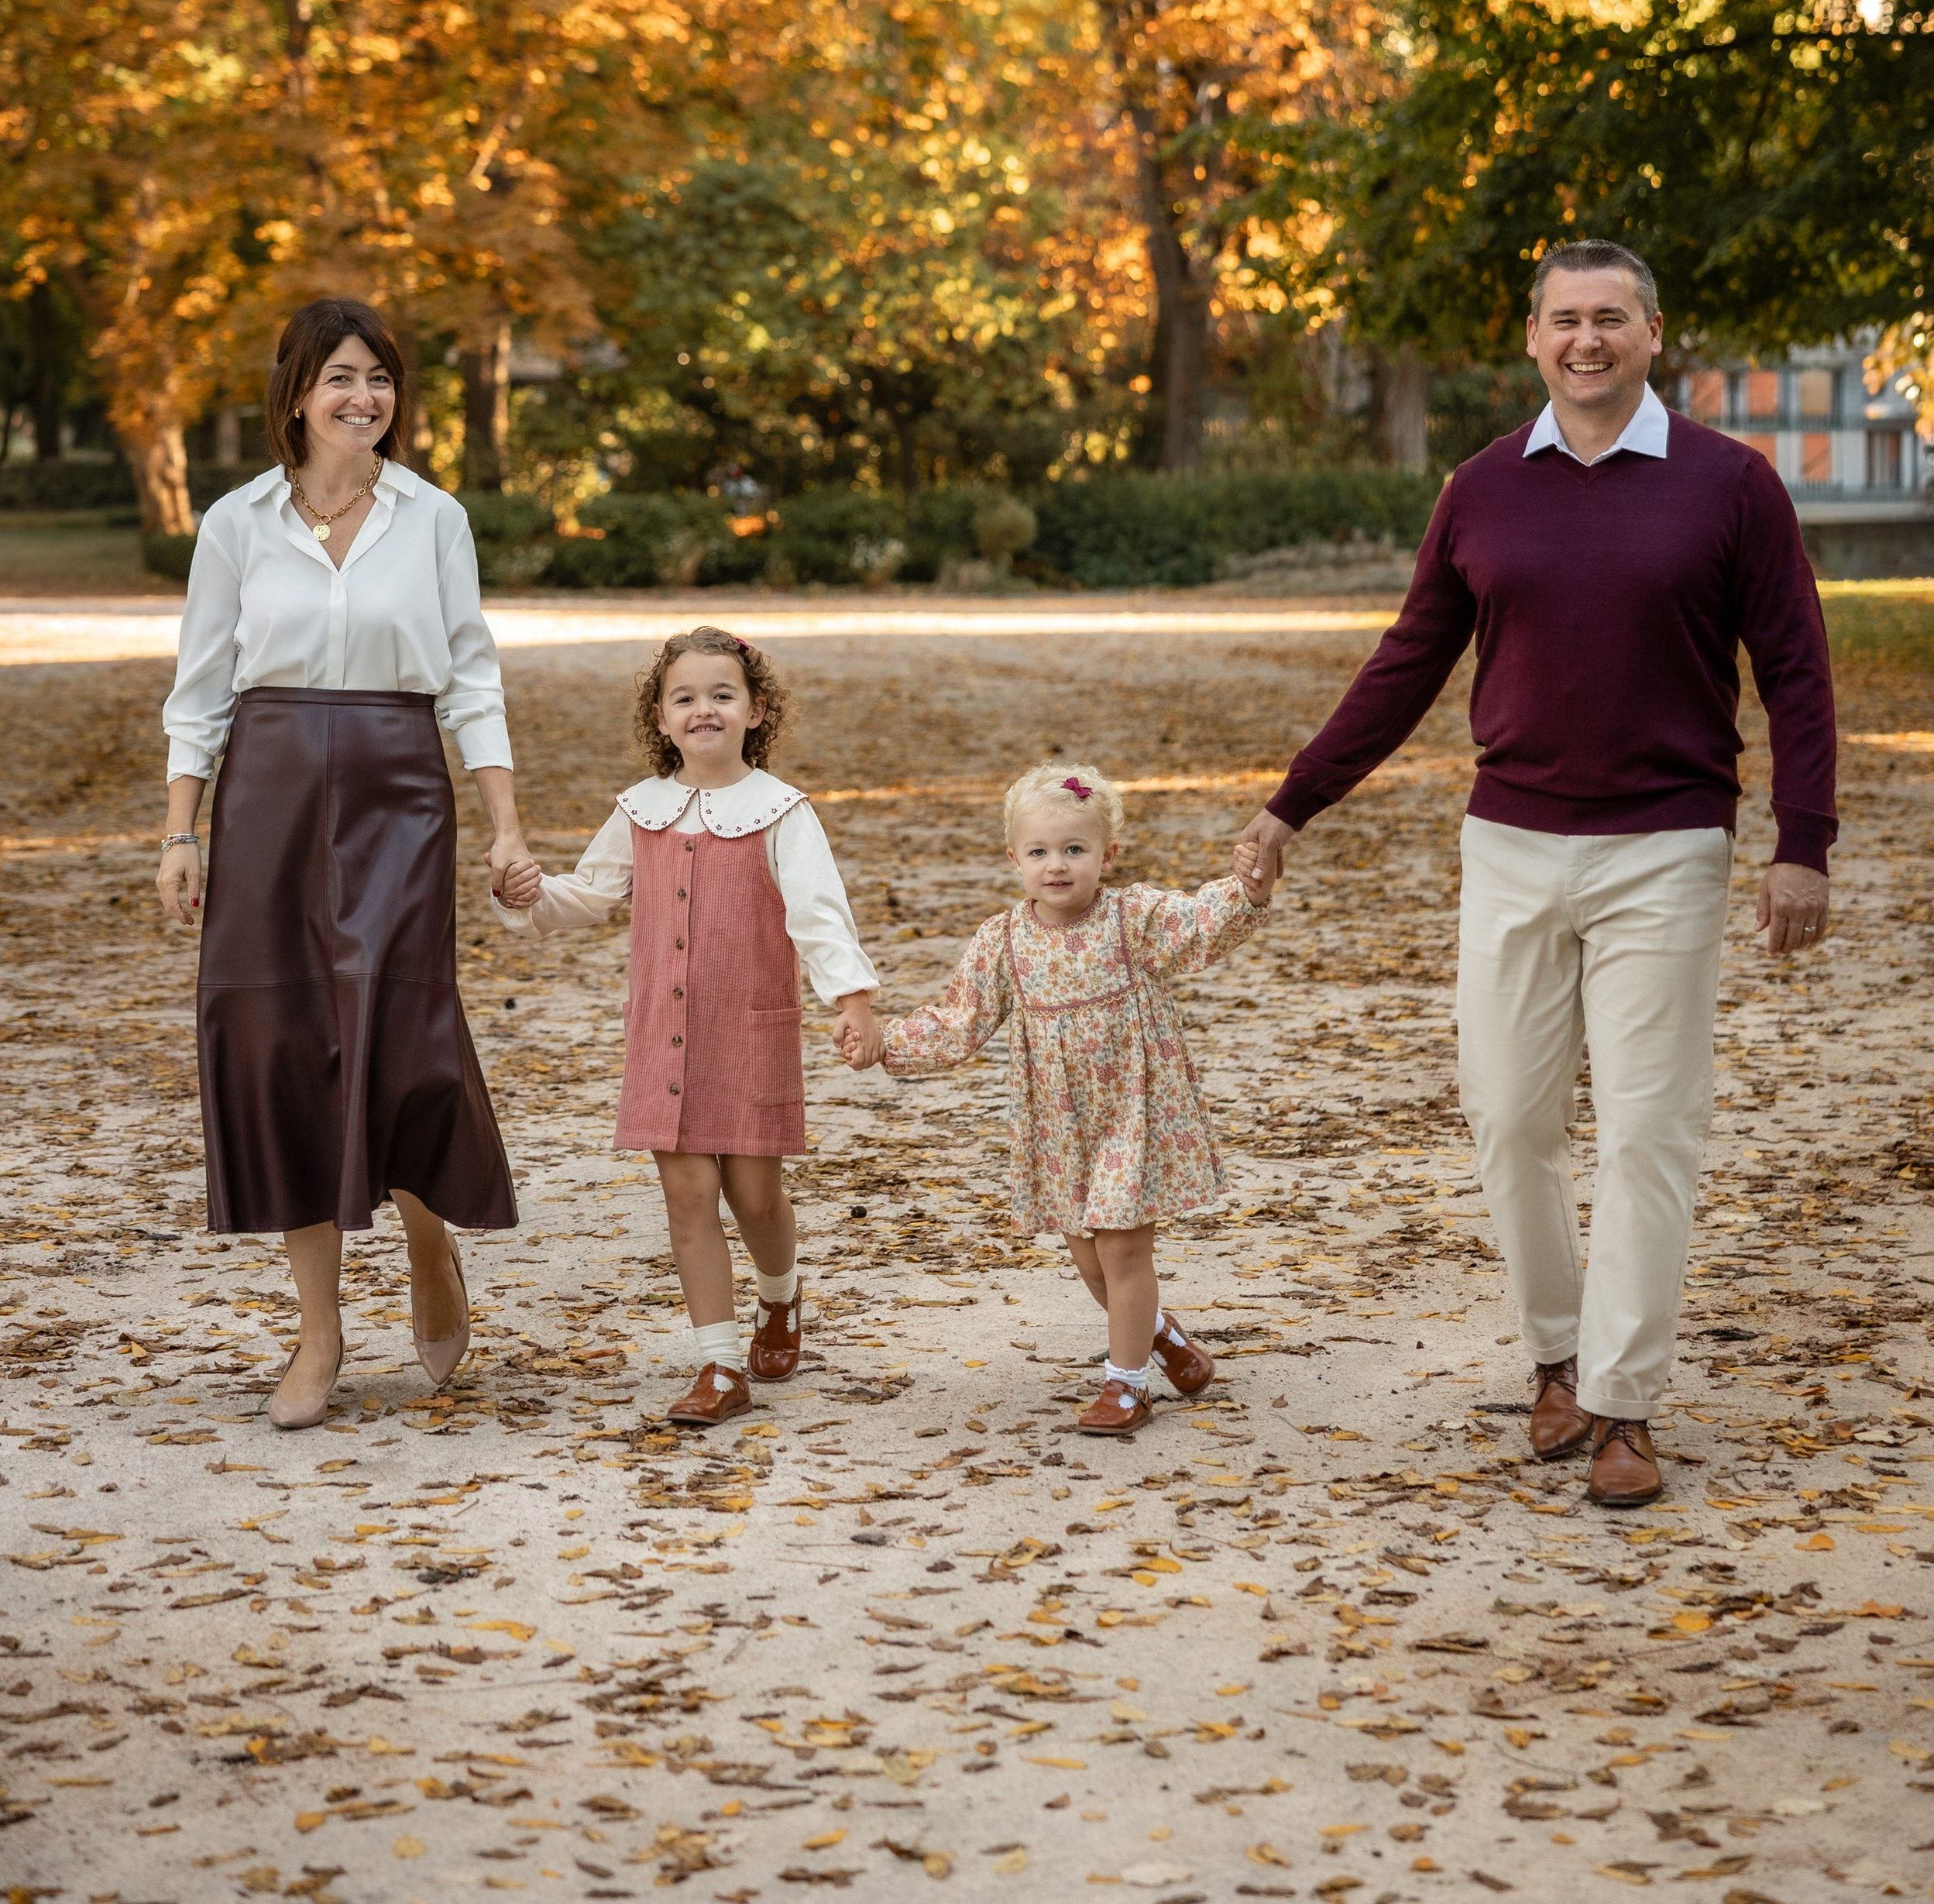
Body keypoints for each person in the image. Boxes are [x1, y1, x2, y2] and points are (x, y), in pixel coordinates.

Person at [1241, 240, 1837, 1507]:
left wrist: (1804, 843)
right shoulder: (1480, 489)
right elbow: (1407, 662)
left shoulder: (1731, 487)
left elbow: (1796, 666)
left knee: (1645, 1131)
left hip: (1666, 848)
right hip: (1509, 844)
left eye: (1611, 319)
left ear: (1654, 334)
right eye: (1565, 320)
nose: (1587, 341)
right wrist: (1295, 804)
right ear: (1531, 337)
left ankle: (1623, 1405)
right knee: (1509, 1120)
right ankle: (1557, 1355)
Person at [157, 296, 534, 1431]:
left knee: (403, 1027)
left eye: (378, 377)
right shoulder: (235, 524)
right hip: (268, 786)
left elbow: (471, 674)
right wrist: (181, 830)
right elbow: (201, 690)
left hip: (396, 784)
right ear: (297, 393)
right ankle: (317, 1333)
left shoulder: (433, 517)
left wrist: (505, 822)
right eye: (338, 377)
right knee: (277, 1038)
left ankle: (426, 1227)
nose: (362, 396)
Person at [493, 624, 881, 1428]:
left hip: (746, 1032)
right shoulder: (641, 809)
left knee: (755, 1196)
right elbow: (589, 898)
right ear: (661, 717)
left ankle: (780, 1298)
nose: (703, 709)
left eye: (721, 695)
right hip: (664, 1039)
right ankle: (717, 1361)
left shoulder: (781, 812)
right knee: (686, 1193)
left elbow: (819, 916)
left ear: (756, 710)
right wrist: (527, 895)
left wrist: (851, 1000)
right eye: (684, 697)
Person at [841, 763, 1275, 1435]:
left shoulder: (1133, 918)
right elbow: (961, 1020)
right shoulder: (1005, 940)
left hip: (1135, 1110)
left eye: (1075, 849)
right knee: (1090, 1260)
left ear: (1108, 854)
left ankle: (1126, 1386)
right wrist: (884, 1042)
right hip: (1060, 1125)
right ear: (1014, 858)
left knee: (1125, 1253)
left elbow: (1201, 923)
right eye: (1040, 852)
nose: (1058, 866)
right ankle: (1161, 1337)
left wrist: (1247, 888)